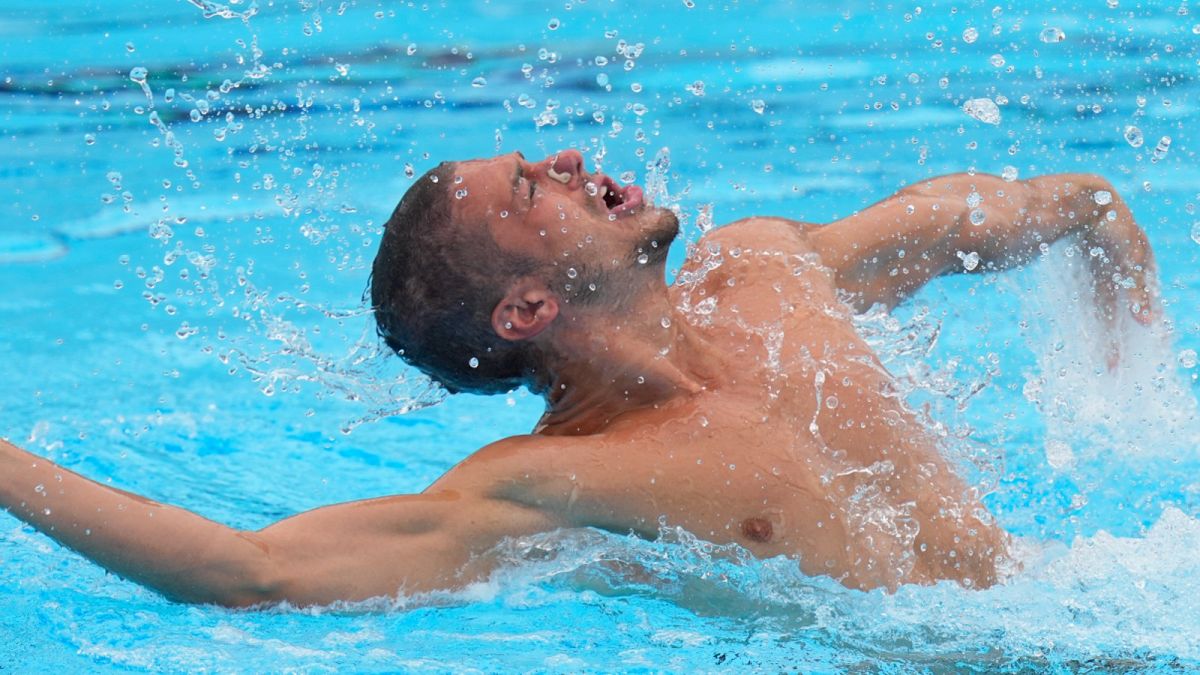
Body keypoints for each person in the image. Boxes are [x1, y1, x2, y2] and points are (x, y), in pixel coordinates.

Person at [0, 149, 1156, 607]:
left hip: (1102, 607)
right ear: (526, 310)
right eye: (527, 193)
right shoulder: (555, 483)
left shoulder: (768, 269)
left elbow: (1065, 206)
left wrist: (1137, 388)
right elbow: (243, 571)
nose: (562, 159)